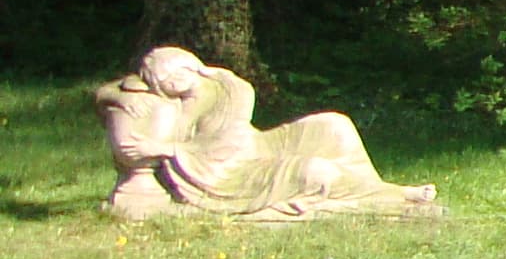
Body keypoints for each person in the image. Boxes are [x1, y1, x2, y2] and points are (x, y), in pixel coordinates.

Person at [90, 47, 437, 221]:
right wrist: (123, 98)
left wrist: (165, 148)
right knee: (314, 171)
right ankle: (392, 198)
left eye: (174, 73)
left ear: (190, 65)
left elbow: (223, 144)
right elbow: (106, 93)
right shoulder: (168, 106)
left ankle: (386, 191)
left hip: (237, 157)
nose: (170, 84)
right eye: (160, 82)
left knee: (334, 125)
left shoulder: (229, 87)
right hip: (221, 175)